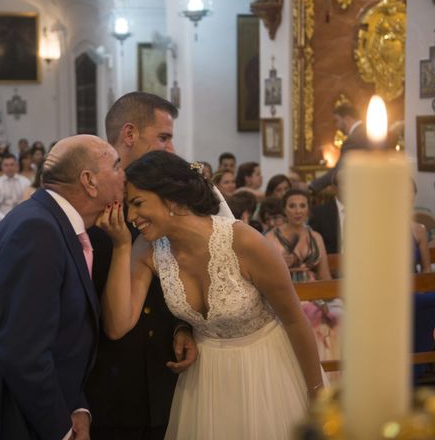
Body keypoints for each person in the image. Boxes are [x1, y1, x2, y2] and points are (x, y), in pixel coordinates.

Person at [98, 151, 324, 439]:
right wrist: (121, 247)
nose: (131, 216)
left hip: (268, 369)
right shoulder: (147, 249)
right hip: (206, 381)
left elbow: (295, 320)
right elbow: (117, 325)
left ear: (171, 198)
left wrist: (315, 392)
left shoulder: (245, 242)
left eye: (138, 203)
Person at [0, 135, 125, 439]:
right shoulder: (38, 230)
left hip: (22, 400)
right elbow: (23, 350)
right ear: (89, 181)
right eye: (117, 166)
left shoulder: (54, 223)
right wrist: (61, 430)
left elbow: (62, 337)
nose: (124, 175)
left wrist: (76, 405)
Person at [86, 91, 197, 440]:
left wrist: (183, 326)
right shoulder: (90, 203)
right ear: (129, 135)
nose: (171, 150)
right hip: (110, 383)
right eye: (163, 138)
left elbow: (186, 271)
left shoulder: (174, 200)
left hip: (166, 378)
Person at [265, 189, 340, 365]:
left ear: (308, 209)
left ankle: (330, 376)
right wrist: (280, 263)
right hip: (284, 292)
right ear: (284, 210)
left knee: (338, 318)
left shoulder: (316, 237)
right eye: (292, 206)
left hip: (314, 293)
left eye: (302, 206)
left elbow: (324, 275)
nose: (298, 211)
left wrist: (329, 298)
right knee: (307, 315)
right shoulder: (270, 237)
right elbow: (265, 277)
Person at [309, 104, 369, 193]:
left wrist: (311, 185)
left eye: (337, 121)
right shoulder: (368, 131)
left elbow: (340, 170)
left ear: (347, 119)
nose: (337, 126)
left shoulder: (353, 140)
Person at [0, 154, 31, 222]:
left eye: (12, 164)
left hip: (23, 219)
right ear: (2, 167)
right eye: (6, 165)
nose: (9, 168)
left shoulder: (26, 182)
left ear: (17, 166)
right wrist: (4, 219)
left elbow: (30, 203)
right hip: (3, 220)